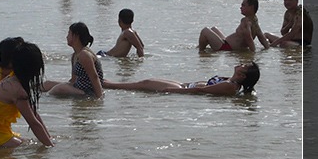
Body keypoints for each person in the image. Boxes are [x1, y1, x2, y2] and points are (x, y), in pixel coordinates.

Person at [103, 62, 260, 96]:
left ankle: (109, 85)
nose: (241, 63)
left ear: (242, 76)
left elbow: (202, 90)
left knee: (145, 83)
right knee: (145, 83)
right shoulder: (231, 81)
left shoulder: (230, 86)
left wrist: (172, 91)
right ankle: (109, 84)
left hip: (183, 90)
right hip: (184, 85)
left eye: (244, 66)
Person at [42, 22, 104, 98]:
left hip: (88, 92)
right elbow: (73, 80)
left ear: (76, 36)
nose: (66, 37)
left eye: (69, 34)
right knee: (47, 84)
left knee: (59, 88)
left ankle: (45, 99)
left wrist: (99, 97)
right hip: (78, 87)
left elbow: (94, 77)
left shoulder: (84, 54)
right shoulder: (75, 55)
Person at [198, 0, 270, 52]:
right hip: (226, 43)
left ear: (251, 7)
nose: (240, 7)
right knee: (214, 29)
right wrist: (268, 50)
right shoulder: (254, 21)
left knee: (205, 31)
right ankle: (200, 48)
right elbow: (262, 39)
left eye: (243, 5)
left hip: (225, 48)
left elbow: (249, 38)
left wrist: (252, 53)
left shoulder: (246, 21)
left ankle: (201, 52)